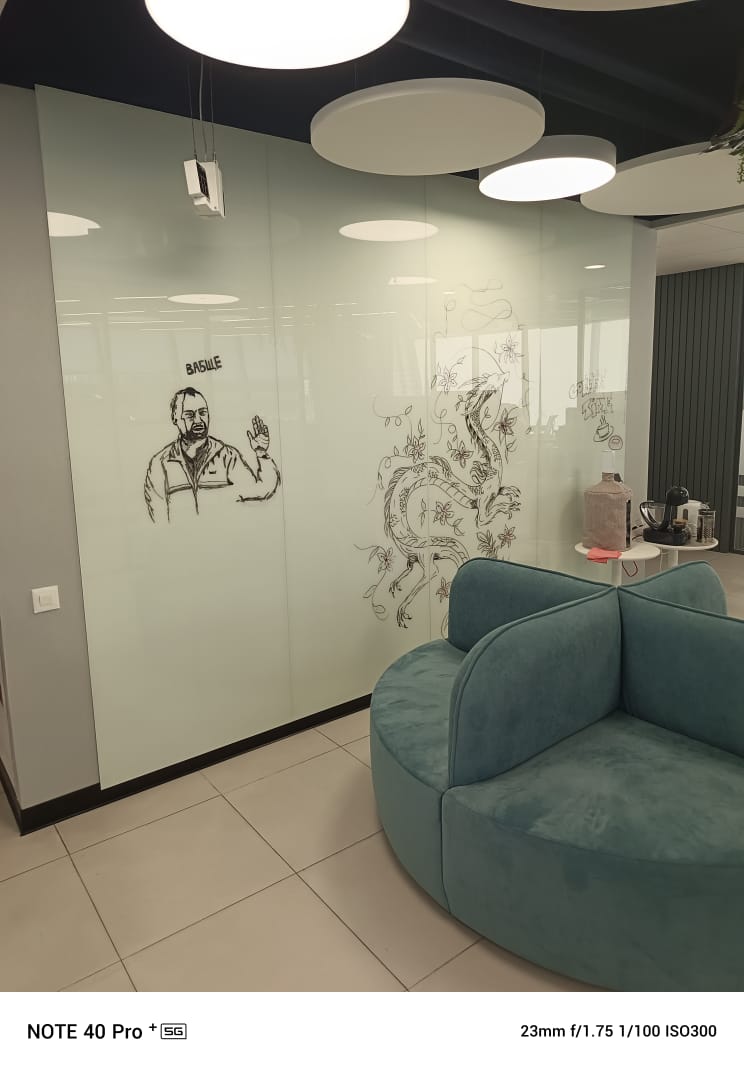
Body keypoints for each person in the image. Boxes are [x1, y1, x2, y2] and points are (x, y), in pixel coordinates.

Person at [144, 387, 280, 523]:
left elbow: (261, 490)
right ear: (175, 418)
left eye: (202, 413)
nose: (198, 420)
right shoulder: (160, 463)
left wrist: (261, 453)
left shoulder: (228, 456)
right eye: (190, 415)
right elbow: (157, 520)